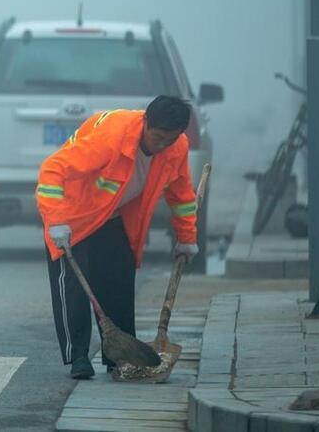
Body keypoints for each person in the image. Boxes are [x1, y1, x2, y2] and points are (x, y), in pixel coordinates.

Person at [36, 96, 199, 379]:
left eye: (169, 140)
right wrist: (57, 220)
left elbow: (181, 195)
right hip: (73, 216)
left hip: (113, 216)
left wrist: (186, 237)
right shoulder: (111, 137)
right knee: (73, 286)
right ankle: (78, 357)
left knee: (119, 281)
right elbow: (52, 171)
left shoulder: (176, 148)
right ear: (145, 123)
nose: (161, 146)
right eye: (157, 137)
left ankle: (121, 357)